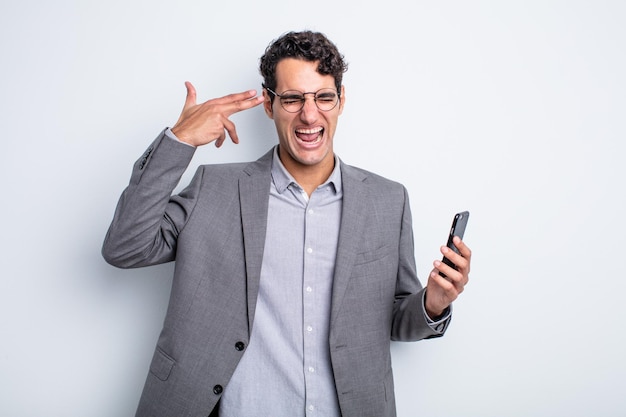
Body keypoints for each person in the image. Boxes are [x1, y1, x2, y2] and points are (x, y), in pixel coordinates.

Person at [102, 30, 471, 417]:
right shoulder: (215, 188)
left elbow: (395, 319)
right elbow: (124, 246)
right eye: (293, 99)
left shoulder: (387, 200)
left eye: (323, 97)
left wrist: (432, 304)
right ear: (268, 104)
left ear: (341, 101)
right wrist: (179, 141)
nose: (309, 115)